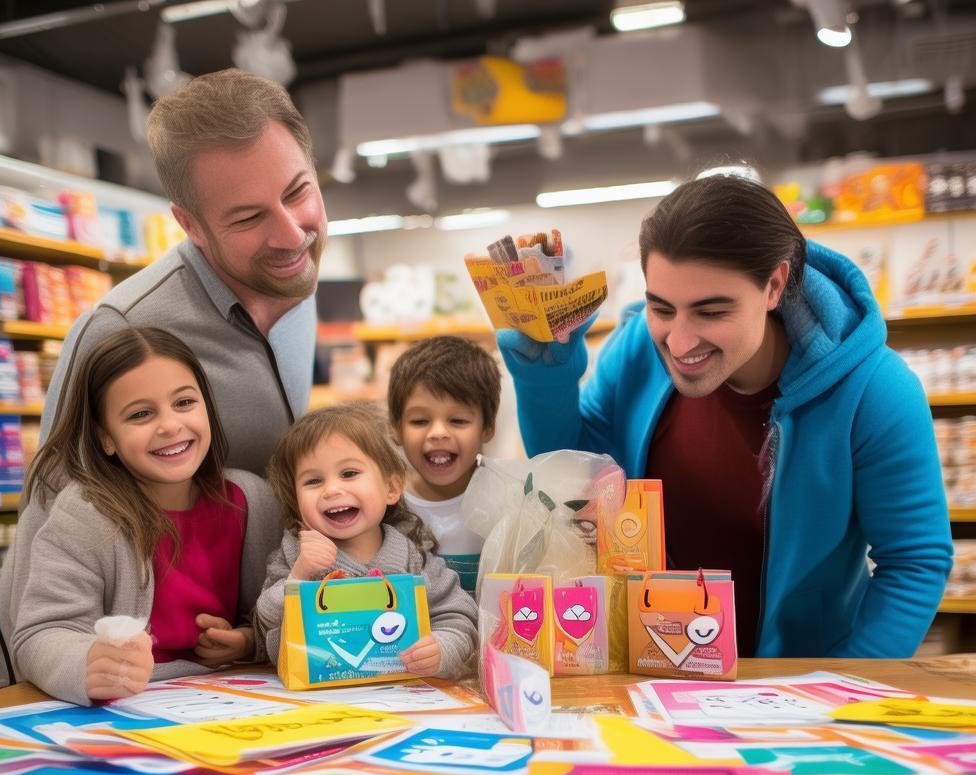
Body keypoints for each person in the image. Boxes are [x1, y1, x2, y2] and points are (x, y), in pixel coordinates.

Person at [498, 174, 952, 658]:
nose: (679, 342)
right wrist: (545, 381)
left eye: (711, 312)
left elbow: (914, 562)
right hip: (652, 662)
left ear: (774, 285)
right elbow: (573, 477)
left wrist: (845, 683)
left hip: (795, 676)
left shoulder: (873, 390)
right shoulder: (636, 348)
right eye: (662, 309)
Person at [0, 327, 282, 704]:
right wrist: (87, 663)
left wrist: (247, 641)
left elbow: (280, 610)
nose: (170, 425)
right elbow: (41, 633)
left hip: (227, 702)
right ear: (106, 438)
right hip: (123, 707)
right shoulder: (86, 512)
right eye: (140, 414)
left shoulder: (253, 500)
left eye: (184, 402)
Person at [41, 68, 327, 476]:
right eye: (248, 218)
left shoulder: (297, 276)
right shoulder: (120, 328)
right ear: (190, 225)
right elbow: (49, 507)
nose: (292, 235)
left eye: (298, 191)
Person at [256, 403, 478, 679]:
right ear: (296, 501)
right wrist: (299, 576)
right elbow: (265, 623)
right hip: (317, 696)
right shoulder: (295, 554)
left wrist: (441, 649)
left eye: (349, 473)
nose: (332, 490)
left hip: (401, 694)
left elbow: (459, 617)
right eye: (313, 481)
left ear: (391, 488)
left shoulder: (413, 559)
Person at [387, 336, 501, 594]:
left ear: (488, 427)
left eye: (458, 420)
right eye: (420, 421)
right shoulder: (384, 508)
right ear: (396, 428)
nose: (438, 432)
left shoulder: (507, 501)